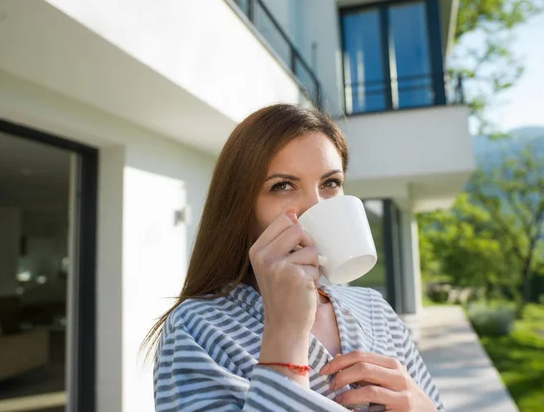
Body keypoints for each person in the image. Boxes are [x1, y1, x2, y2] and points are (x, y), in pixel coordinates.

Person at [147, 104, 445, 411]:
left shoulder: (373, 308)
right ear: (242, 208)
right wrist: (285, 335)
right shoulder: (196, 328)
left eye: (331, 183)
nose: (314, 206)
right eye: (283, 186)